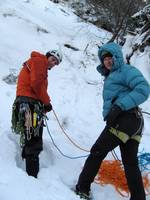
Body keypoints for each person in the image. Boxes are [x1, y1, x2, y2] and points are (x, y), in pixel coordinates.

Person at [75, 42, 150, 200]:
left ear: (117, 57)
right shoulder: (112, 76)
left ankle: (82, 188)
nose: (108, 61)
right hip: (134, 122)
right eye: (104, 59)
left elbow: (143, 89)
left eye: (110, 57)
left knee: (97, 151)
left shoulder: (126, 70)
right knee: (130, 162)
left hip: (126, 119)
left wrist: (119, 107)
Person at [12, 49, 62, 178]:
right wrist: (47, 102)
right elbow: (36, 85)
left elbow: (36, 86)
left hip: (26, 103)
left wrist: (44, 104)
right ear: (48, 56)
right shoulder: (40, 61)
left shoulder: (37, 63)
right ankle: (32, 176)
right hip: (29, 105)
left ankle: (26, 168)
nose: (53, 63)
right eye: (53, 59)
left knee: (30, 135)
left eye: (56, 63)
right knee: (34, 138)